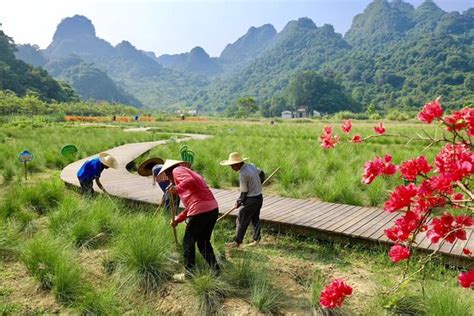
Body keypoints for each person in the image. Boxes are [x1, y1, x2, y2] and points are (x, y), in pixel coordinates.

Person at [157, 159, 220, 276]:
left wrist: (177, 189)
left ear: (169, 171)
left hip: (201, 210)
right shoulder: (188, 172)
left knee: (188, 241)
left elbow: (189, 182)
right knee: (203, 242)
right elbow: (191, 205)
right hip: (212, 209)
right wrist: (178, 219)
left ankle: (189, 273)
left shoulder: (177, 170)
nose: (168, 178)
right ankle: (216, 269)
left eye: (166, 174)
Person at [220, 152, 265, 248]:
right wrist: (258, 184)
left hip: (251, 200)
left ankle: (237, 242)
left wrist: (239, 202)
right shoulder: (251, 166)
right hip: (259, 198)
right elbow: (262, 173)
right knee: (255, 218)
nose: (231, 168)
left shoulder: (243, 174)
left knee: (241, 218)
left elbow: (244, 192)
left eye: (232, 165)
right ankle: (257, 239)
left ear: (237, 164)